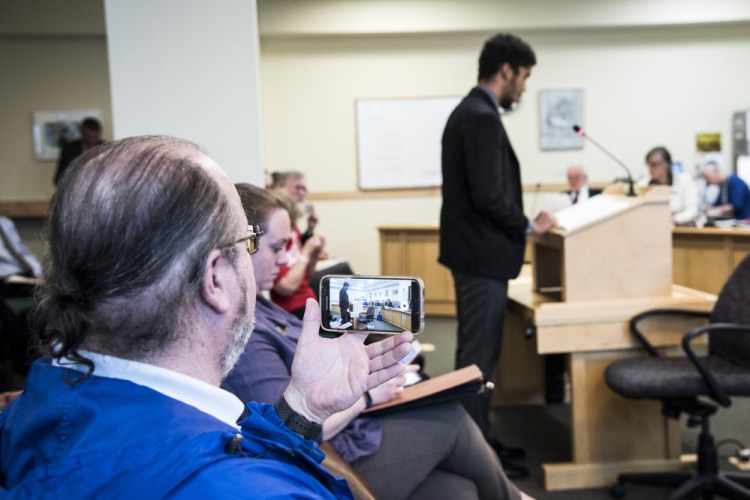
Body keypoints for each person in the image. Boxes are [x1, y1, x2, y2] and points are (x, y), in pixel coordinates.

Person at [0, 135, 413, 498]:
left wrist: (300, 412)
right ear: (214, 278)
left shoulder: (29, 411)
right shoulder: (256, 491)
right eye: (249, 240)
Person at [222, 184, 531, 500]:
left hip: (342, 436)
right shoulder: (246, 330)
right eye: (277, 247)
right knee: (449, 418)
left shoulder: (262, 304)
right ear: (247, 246)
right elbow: (291, 429)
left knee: (459, 491)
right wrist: (367, 397)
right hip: (324, 460)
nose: (286, 258)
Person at [438, 33, 557, 477]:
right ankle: (474, 460)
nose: (524, 87)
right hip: (481, 259)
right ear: (505, 69)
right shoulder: (480, 117)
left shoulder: (471, 112)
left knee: (478, 360)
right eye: (524, 76)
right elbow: (490, 196)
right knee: (476, 362)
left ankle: (479, 446)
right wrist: (528, 224)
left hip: (476, 256)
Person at [269, 189, 326, 319]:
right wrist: (306, 251)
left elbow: (307, 275)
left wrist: (314, 253)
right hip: (292, 308)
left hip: (308, 298)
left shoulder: (294, 231)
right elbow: (286, 287)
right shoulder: (277, 240)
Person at [643, 146, 699, 224]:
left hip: (680, 227)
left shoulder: (684, 181)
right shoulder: (643, 184)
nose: (650, 169)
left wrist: (674, 219)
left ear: (666, 165)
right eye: (648, 165)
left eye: (654, 165)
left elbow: (692, 210)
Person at [53, 116, 104, 185]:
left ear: (99, 134)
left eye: (95, 137)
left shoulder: (106, 148)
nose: (91, 140)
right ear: (82, 133)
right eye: (88, 137)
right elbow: (58, 179)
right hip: (75, 189)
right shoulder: (69, 149)